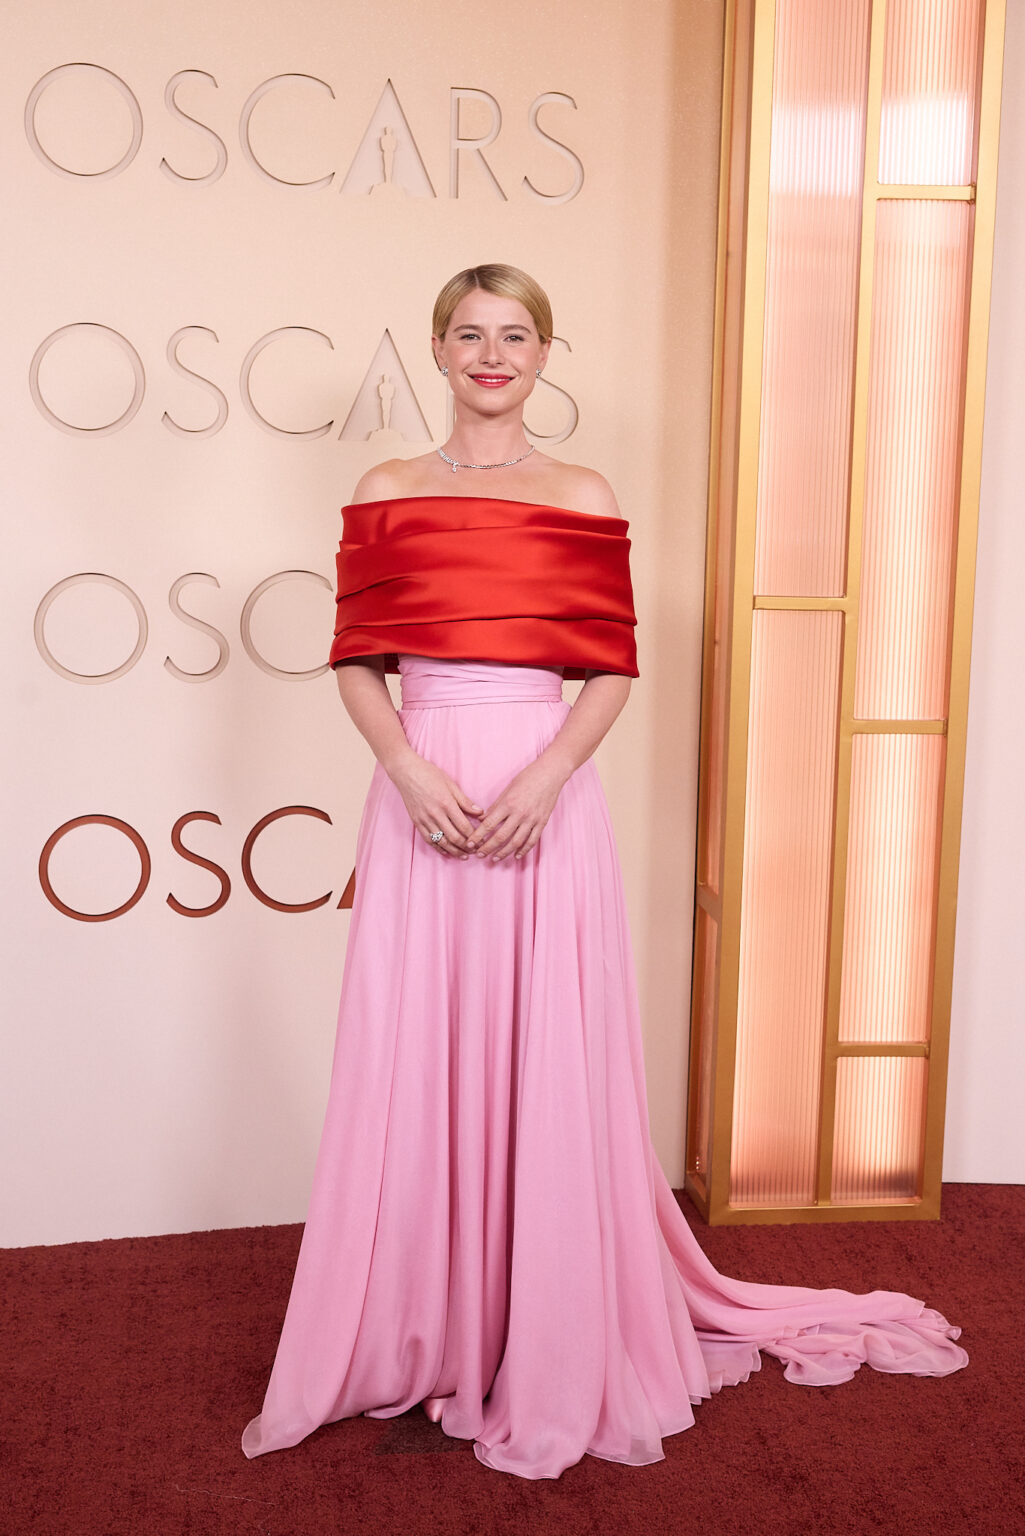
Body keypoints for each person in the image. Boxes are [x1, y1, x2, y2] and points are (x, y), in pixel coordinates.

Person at [241, 263, 967, 1481]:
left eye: (513, 334)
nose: (490, 354)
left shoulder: (579, 491)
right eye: (468, 334)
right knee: (418, 1048)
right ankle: (426, 1323)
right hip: (417, 791)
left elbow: (611, 670)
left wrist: (544, 780)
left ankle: (551, 1327)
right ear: (435, 349)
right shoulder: (385, 488)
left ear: (542, 352)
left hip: (543, 793)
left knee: (544, 1050)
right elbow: (358, 662)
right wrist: (409, 770)